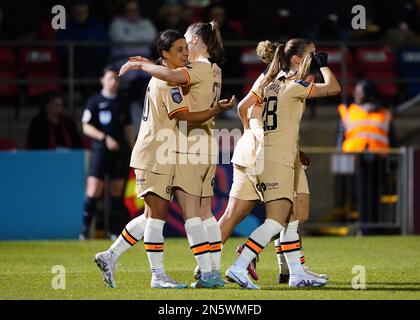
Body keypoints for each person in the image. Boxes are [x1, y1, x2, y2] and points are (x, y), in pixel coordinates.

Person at [93, 29, 234, 289]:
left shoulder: (173, 78)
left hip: (162, 153)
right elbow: (184, 116)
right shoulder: (168, 81)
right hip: (156, 154)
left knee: (150, 216)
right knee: (157, 216)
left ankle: (110, 255)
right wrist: (215, 109)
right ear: (165, 54)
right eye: (178, 49)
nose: (184, 53)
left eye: (185, 47)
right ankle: (158, 276)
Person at [225, 38, 341, 289]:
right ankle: (240, 264)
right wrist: (323, 67)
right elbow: (333, 88)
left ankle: (296, 272)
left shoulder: (274, 85)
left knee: (291, 218)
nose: (316, 56)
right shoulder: (293, 86)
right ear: (298, 60)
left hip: (278, 156)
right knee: (277, 221)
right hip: (276, 158)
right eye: (313, 54)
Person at [79, 65, 135, 240]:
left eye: (116, 79)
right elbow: (86, 127)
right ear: (102, 80)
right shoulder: (94, 101)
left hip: (120, 152)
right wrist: (104, 139)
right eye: (110, 78)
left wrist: (133, 148)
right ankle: (85, 230)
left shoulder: (122, 102)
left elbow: (128, 127)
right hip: (100, 151)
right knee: (94, 188)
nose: (113, 82)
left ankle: (113, 230)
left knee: (116, 191)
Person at [337, 79, 395, 232]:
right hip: (356, 158)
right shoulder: (350, 110)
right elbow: (342, 135)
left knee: (376, 193)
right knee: (361, 193)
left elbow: (391, 136)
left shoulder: (384, 111)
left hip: (378, 158)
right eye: (356, 91)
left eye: (360, 92)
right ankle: (364, 226)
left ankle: (375, 227)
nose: (357, 95)